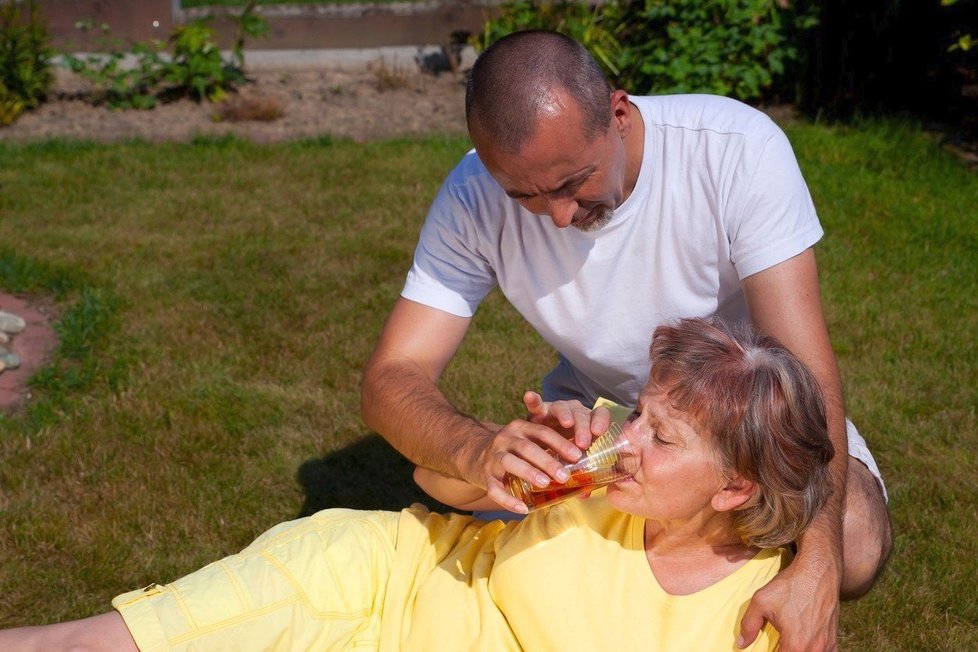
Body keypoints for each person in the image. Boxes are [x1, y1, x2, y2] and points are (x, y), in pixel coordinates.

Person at [359, 29, 891, 650]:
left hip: (754, 418)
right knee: (455, 484)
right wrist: (475, 449)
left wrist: (819, 563)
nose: (557, 215)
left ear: (617, 112)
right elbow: (391, 376)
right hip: (601, 422)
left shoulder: (735, 150)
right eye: (523, 195)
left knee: (851, 547)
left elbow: (806, 370)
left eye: (571, 182)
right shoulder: (472, 197)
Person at [0, 317, 834, 651]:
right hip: (375, 587)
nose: (630, 437)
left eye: (664, 435)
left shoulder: (752, 617)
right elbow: (432, 483)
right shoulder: (597, 467)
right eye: (641, 412)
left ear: (733, 489)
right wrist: (495, 462)